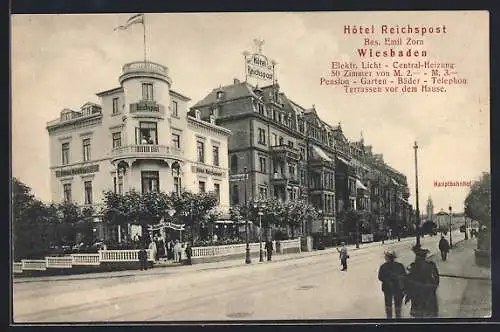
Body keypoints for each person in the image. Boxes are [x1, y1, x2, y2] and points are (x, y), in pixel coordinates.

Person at [404, 246, 440, 318]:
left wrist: (408, 292)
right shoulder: (430, 265)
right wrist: (434, 285)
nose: (416, 259)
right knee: (428, 311)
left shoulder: (414, 266)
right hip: (427, 289)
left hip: (418, 291)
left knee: (419, 312)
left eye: (417, 257)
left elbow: (409, 280)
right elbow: (436, 277)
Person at [378, 249, 406, 319]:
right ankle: (397, 320)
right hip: (396, 288)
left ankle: (390, 320)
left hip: (389, 288)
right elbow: (404, 276)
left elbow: (380, 277)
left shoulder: (383, 266)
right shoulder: (399, 266)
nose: (386, 258)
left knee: (389, 307)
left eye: (387, 257)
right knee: (397, 307)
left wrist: (387, 280)